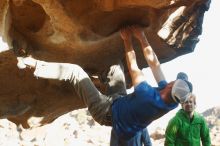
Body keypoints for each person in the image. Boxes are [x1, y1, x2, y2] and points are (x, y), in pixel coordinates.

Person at [18, 25, 192, 145]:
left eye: (173, 80)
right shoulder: (172, 99)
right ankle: (95, 80)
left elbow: (134, 66)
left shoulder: (148, 96)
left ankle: (30, 63)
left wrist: (127, 39)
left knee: (75, 72)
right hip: (121, 101)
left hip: (106, 113)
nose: (170, 80)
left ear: (171, 86)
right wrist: (142, 36)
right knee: (115, 66)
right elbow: (154, 64)